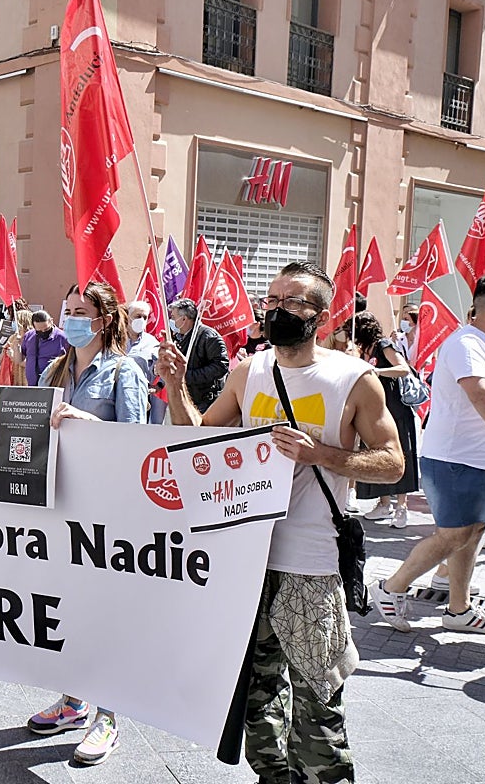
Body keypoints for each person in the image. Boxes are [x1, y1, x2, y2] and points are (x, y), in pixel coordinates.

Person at [157, 261, 404, 784]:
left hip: (311, 564)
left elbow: (393, 463)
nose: (275, 310)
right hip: (246, 561)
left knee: (317, 700)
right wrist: (177, 387)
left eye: (291, 302)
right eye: (270, 300)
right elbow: (198, 436)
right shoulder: (249, 371)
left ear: (320, 314)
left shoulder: (352, 379)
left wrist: (324, 456)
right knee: (257, 696)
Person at [0, 282, 146, 766]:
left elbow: (136, 444)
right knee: (67, 609)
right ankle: (75, 700)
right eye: (65, 309)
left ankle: (109, 716)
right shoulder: (54, 368)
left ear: (104, 319)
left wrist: (88, 425)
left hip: (103, 516)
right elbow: (31, 416)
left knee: (103, 613)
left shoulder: (123, 372)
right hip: (57, 508)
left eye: (80, 312)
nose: (70, 318)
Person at [369, 273, 485, 637]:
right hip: (458, 460)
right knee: (454, 535)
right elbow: (481, 396)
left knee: (474, 533)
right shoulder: (466, 344)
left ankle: (459, 609)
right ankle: (390, 588)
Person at [349, 312, 419, 529]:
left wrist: (376, 371)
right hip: (376, 409)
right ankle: (384, 503)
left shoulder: (384, 344)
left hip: (396, 408)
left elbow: (402, 368)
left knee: (401, 452)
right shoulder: (364, 350)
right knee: (379, 453)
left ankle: (402, 506)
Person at [168, 298, 229, 412]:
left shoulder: (208, 336)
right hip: (187, 399)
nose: (171, 321)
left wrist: (188, 376)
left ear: (184, 319)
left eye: (173, 317)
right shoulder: (179, 338)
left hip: (206, 402)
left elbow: (221, 366)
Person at [125, 300, 163, 423]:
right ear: (128, 317)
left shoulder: (152, 344)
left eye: (144, 317)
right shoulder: (115, 340)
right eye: (137, 316)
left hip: (140, 398)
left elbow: (163, 369)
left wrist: (159, 386)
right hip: (115, 395)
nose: (141, 320)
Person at [21, 309, 68, 387]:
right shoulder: (29, 336)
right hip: (32, 385)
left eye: (46, 329)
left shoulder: (62, 337)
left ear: (51, 321)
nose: (43, 332)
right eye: (39, 331)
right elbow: (23, 357)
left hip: (52, 384)